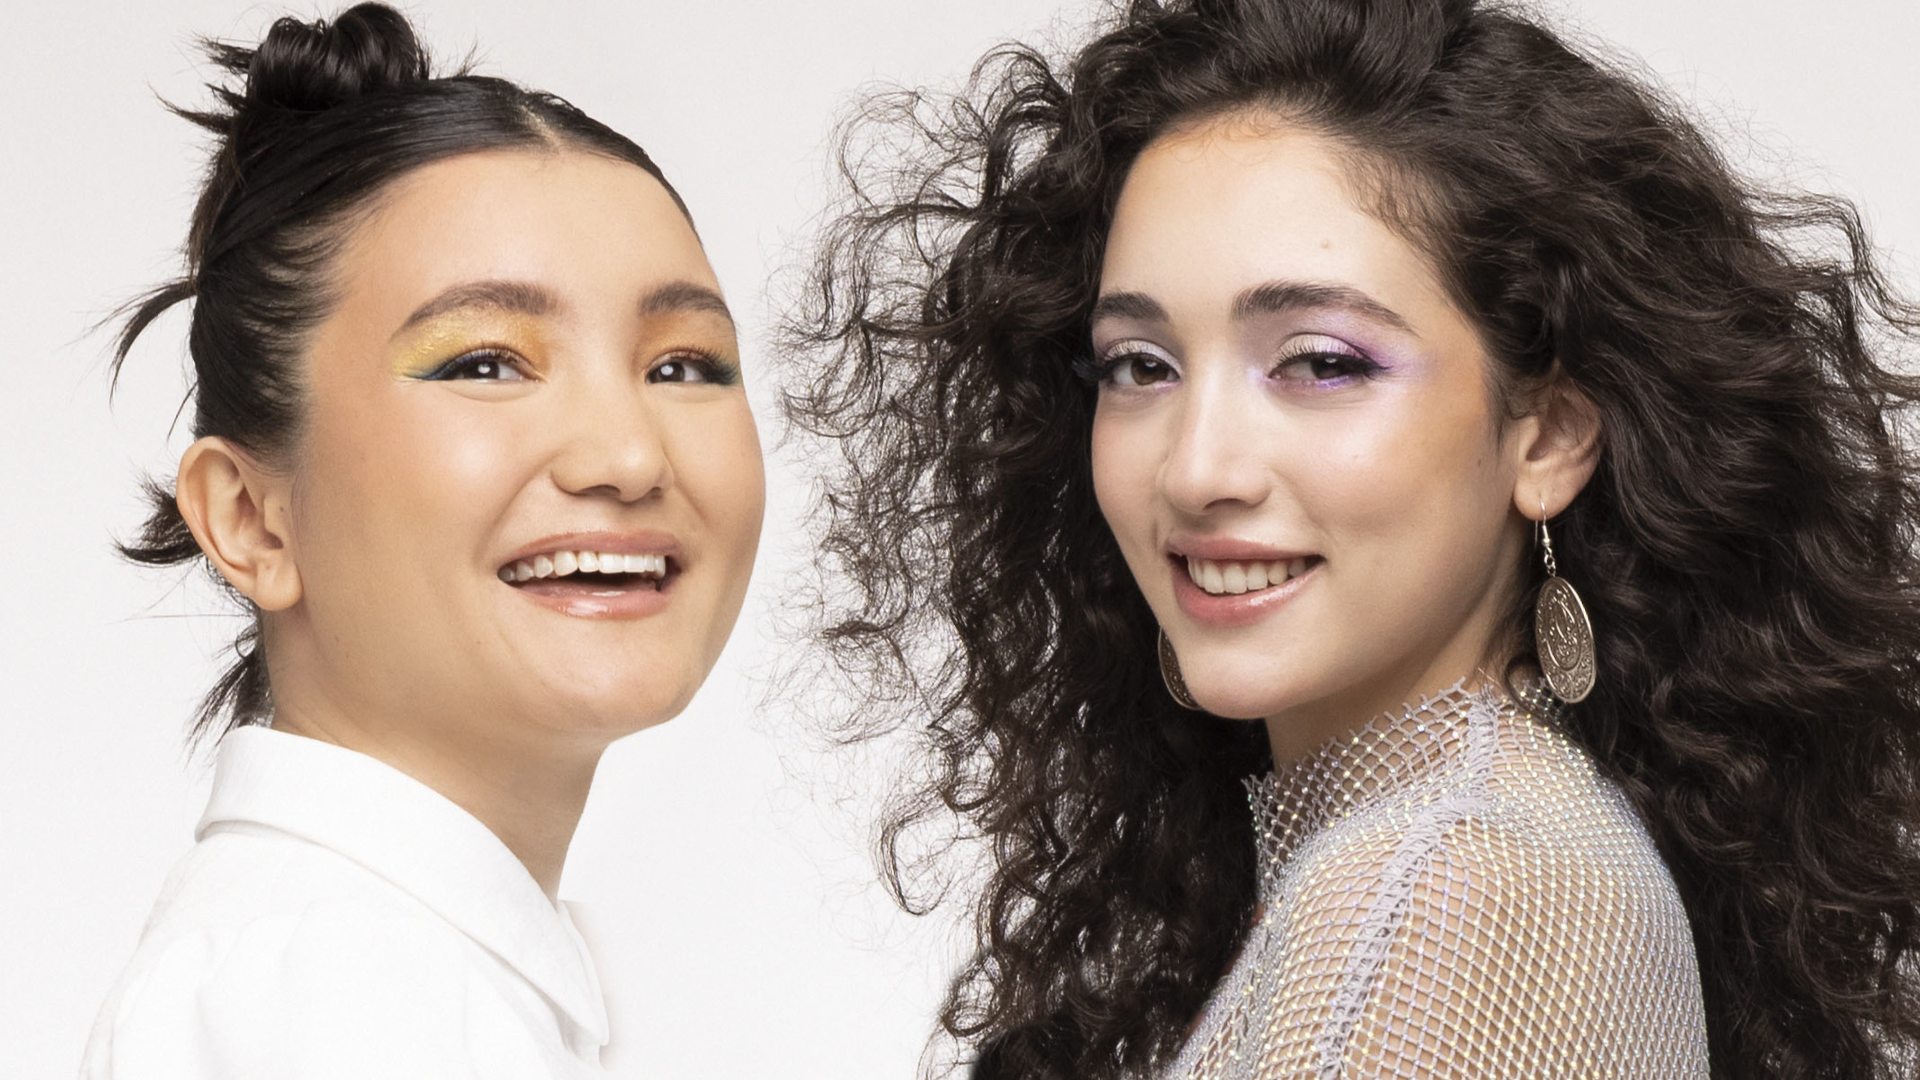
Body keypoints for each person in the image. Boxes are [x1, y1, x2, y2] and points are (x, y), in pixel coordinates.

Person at [784, 0, 1920, 1076]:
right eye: (1140, 366)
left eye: (1321, 363)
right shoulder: (1473, 845)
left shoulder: (1443, 891)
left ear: (1548, 434)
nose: (1196, 468)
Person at [81, 5, 764, 1077]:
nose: (629, 457)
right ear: (251, 518)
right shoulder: (350, 983)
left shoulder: (371, 963)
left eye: (683, 365)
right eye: (485, 362)